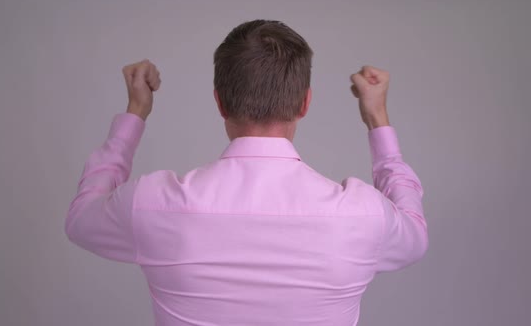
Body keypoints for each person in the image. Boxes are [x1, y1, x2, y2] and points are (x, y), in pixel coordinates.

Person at [65, 19, 428, 326]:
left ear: (219, 101)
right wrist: (377, 119)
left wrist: (135, 112)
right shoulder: (361, 214)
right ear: (305, 103)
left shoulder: (153, 202)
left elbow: (81, 218)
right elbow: (414, 232)